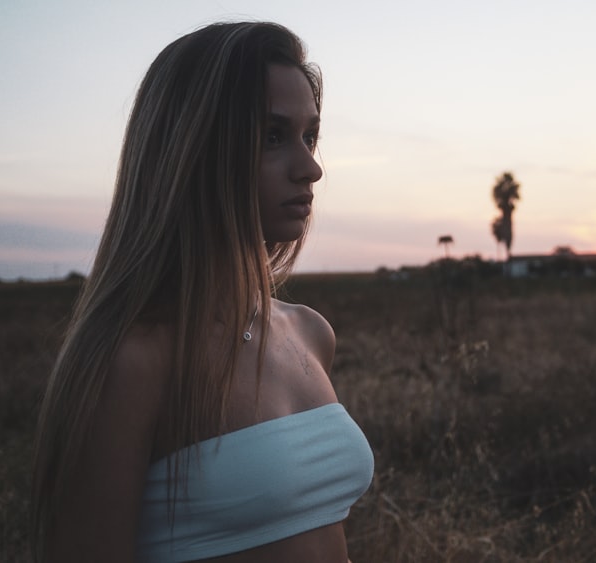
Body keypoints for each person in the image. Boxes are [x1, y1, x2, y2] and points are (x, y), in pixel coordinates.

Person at [31, 22, 374, 562]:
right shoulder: (132, 361)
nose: (311, 167)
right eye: (272, 136)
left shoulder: (309, 333)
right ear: (193, 149)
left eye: (311, 136)